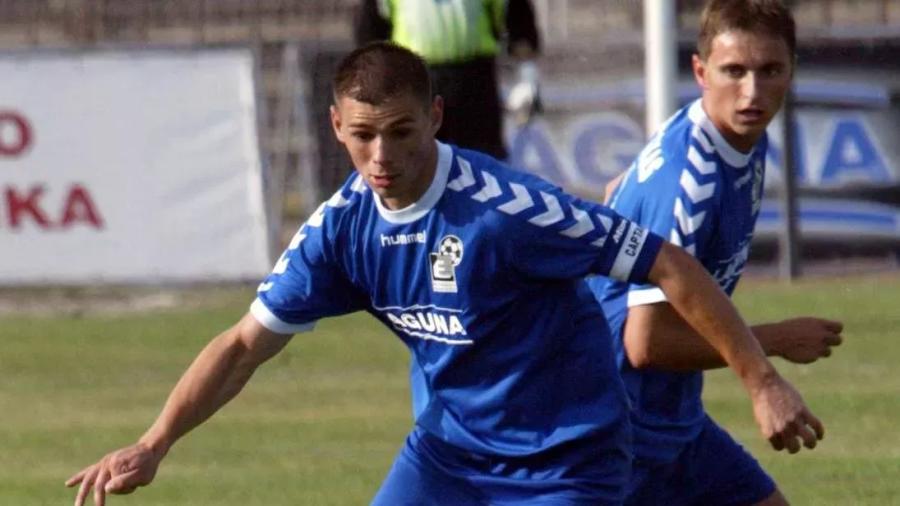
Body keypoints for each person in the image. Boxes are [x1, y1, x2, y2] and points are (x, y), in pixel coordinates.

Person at [67, 42, 824, 506]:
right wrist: (155, 442)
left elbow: (664, 260)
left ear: (434, 116)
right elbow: (242, 346)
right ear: (336, 127)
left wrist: (760, 380)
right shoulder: (340, 230)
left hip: (566, 466)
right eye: (363, 136)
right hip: (447, 459)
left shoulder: (511, 210)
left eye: (401, 132)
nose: (382, 157)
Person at [587, 1, 843, 505]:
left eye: (770, 71)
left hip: (672, 417)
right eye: (734, 71)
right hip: (620, 428)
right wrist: (774, 346)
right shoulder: (692, 179)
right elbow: (646, 343)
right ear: (701, 72)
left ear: (792, 70)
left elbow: (619, 188)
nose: (752, 92)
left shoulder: (731, 133)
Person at [354, 0, 541, 159]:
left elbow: (519, 20)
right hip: (413, 83)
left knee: (482, 166)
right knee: (416, 166)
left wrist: (527, 76)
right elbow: (370, 32)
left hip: (475, 84)